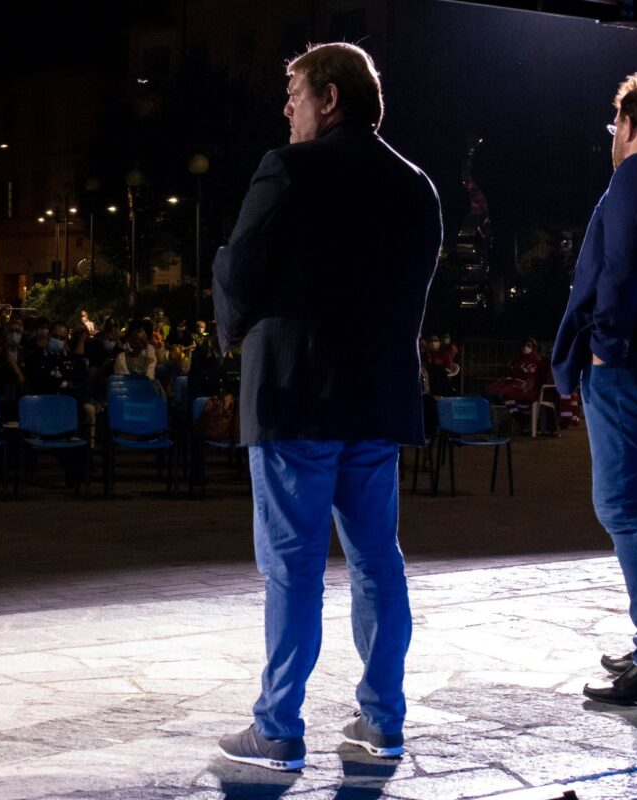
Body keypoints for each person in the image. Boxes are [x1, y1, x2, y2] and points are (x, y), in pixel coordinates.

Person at [212, 42, 441, 769]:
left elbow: (241, 269)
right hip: (375, 400)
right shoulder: (417, 186)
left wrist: (229, 318)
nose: (287, 109)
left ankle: (278, 727)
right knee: (379, 560)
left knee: (293, 565)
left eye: (294, 94)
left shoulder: (291, 169)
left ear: (330, 98)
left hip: (295, 397)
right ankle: (382, 719)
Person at [552, 73, 637, 705]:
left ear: (627, 122)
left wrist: (604, 348)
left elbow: (620, 269)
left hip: (628, 369)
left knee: (626, 506)